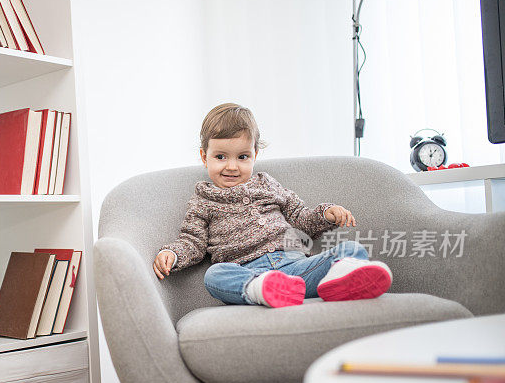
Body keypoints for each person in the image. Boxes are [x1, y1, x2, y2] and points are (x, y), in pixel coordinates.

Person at [154, 103, 392, 308]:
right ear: (204, 156)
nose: (232, 166)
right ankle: (262, 290)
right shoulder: (203, 201)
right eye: (220, 157)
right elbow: (192, 242)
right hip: (249, 272)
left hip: (298, 268)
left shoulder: (267, 184)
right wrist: (173, 254)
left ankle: (339, 283)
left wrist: (326, 214)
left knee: (352, 250)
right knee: (214, 276)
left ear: (254, 155)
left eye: (242, 157)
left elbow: (301, 218)